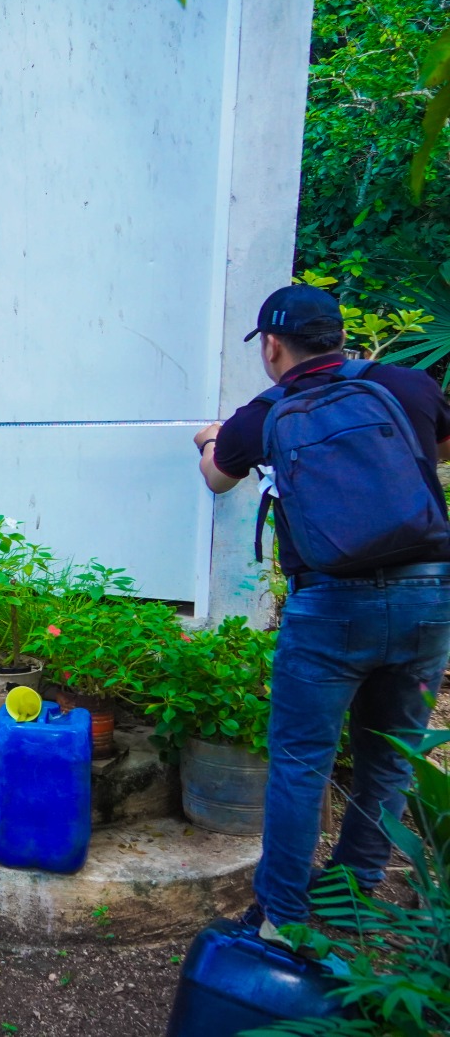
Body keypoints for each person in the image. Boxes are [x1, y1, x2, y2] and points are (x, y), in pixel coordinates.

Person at [193, 284, 450, 943]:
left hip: (331, 608)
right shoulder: (407, 385)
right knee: (389, 757)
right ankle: (351, 901)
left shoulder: (265, 413)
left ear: (272, 346)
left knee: (302, 764)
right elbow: (438, 450)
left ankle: (281, 920)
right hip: (427, 597)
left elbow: (216, 477)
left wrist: (212, 440)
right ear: (338, 336)